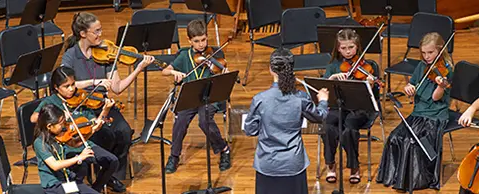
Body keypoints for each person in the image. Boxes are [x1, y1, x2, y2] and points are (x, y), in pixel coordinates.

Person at [61, 11, 151, 186]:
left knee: (124, 131)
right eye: (96, 31)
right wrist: (94, 81)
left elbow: (117, 88)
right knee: (104, 135)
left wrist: (138, 68)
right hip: (80, 107)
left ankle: (111, 174)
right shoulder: (71, 56)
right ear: (83, 33)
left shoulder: (106, 53)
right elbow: (65, 85)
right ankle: (96, 171)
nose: (100, 35)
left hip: (103, 105)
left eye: (100, 30)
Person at [243, 48, 329, 194]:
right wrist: (323, 101)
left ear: (271, 69)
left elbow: (250, 130)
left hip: (267, 164)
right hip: (293, 164)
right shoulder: (301, 98)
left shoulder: (260, 99)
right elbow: (320, 116)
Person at [375, 32, 453, 191]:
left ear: (440, 49)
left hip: (435, 116)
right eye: (424, 53)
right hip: (418, 113)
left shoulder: (447, 70)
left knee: (411, 142)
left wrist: (440, 86)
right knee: (395, 137)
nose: (427, 56)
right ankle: (396, 176)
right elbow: (412, 85)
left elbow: (436, 98)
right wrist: (408, 88)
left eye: (430, 52)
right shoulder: (421, 66)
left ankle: (411, 180)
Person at [30, 66, 121, 192]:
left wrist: (105, 111)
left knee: (112, 161)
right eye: (66, 86)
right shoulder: (51, 103)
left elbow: (91, 124)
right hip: (66, 147)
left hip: (80, 141)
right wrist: (60, 116)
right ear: (56, 87)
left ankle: (96, 188)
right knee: (81, 167)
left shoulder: (82, 99)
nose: (72, 89)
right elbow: (34, 118)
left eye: (73, 84)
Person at [161, 19, 231, 173]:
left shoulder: (216, 53)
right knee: (180, 121)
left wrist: (224, 73)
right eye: (197, 41)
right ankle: (174, 156)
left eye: (204, 40)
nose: (201, 45)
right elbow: (165, 70)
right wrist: (174, 72)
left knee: (204, 120)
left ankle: (224, 148)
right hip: (191, 97)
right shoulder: (184, 55)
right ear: (189, 41)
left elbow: (223, 75)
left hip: (210, 96)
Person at [321, 28, 381, 184]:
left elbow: (373, 96)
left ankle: (354, 166)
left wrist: (370, 85)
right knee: (328, 126)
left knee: (349, 127)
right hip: (338, 107)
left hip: (360, 109)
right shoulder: (333, 66)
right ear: (338, 48)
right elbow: (322, 89)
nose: (347, 52)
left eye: (351, 47)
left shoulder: (367, 67)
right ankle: (330, 164)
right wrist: (332, 78)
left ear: (357, 46)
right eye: (343, 48)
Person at [33, 104, 100, 194]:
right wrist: (78, 158)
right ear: (49, 126)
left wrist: (91, 131)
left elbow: (75, 143)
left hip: (67, 180)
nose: (64, 126)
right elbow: (55, 165)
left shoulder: (60, 135)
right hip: (54, 185)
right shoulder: (39, 143)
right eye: (61, 124)